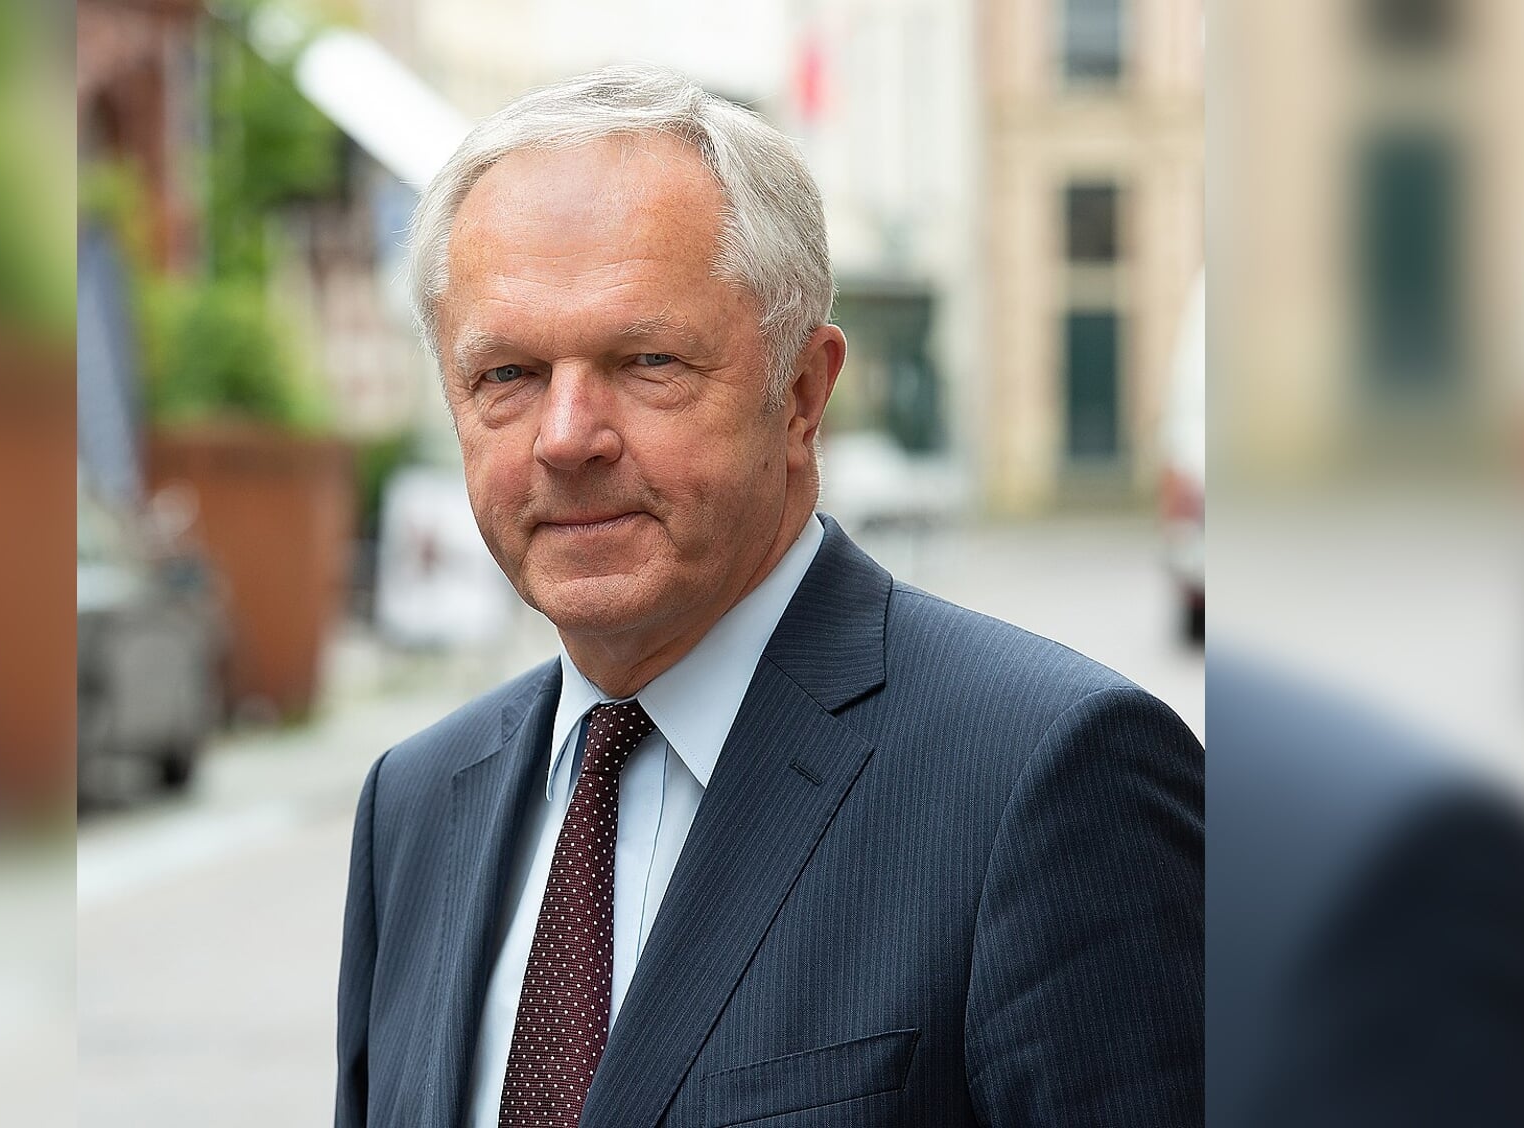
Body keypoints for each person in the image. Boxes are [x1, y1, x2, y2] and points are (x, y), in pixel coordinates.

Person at [336, 65, 1203, 1128]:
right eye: (506, 375)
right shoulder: (415, 808)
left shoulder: (1045, 777)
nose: (565, 438)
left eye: (646, 359)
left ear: (801, 394)